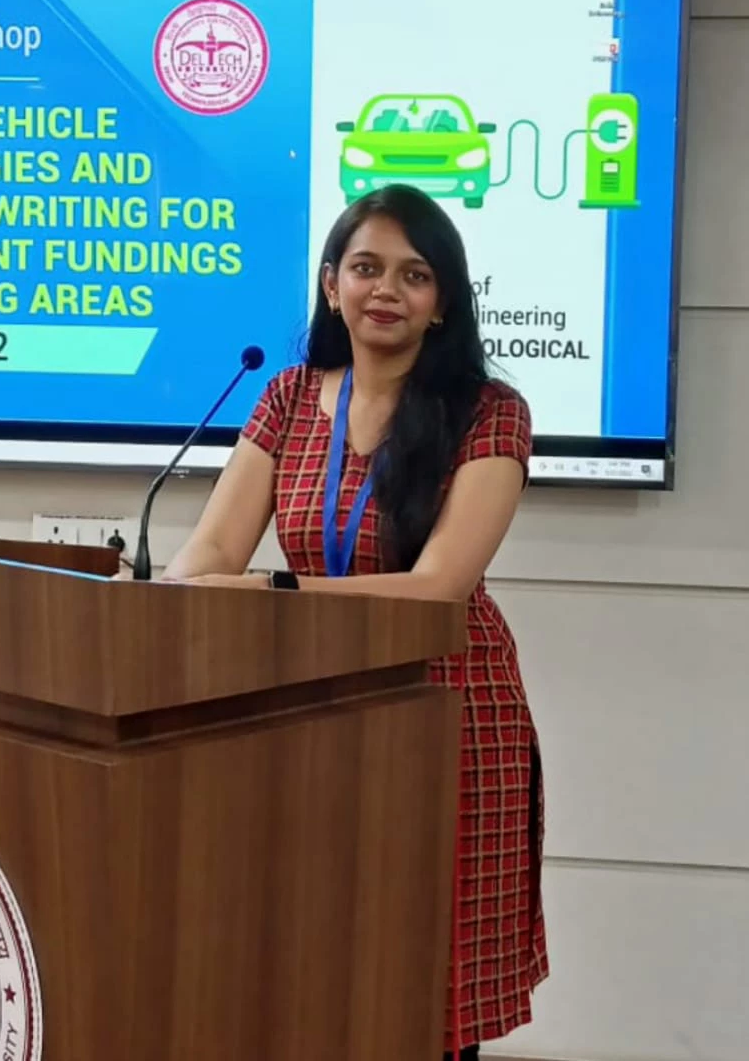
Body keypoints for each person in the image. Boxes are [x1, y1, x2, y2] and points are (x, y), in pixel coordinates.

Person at [163, 184, 548, 1058]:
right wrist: (168, 600)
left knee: (428, 983)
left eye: (414, 275)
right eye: (367, 267)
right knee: (309, 963)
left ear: (443, 301)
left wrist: (278, 597)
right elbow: (216, 544)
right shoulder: (291, 397)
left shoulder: (491, 413)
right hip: (307, 709)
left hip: (448, 712)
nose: (386, 290)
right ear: (332, 283)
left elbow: (442, 585)